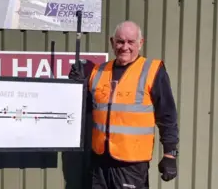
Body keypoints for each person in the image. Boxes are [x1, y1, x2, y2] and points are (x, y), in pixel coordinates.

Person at [69, 20, 179, 189]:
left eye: (130, 42)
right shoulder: (98, 71)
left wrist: (170, 154)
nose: (124, 47)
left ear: (140, 43)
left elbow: (167, 115)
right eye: (120, 41)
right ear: (112, 42)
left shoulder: (152, 71)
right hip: (100, 162)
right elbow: (90, 109)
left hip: (131, 165)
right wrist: (78, 87)